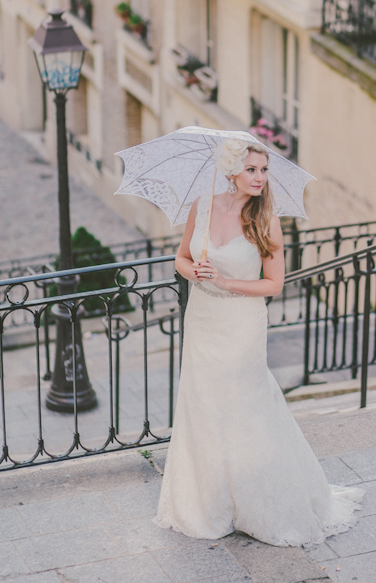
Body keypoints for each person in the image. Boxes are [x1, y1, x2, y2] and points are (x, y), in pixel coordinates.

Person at [155, 138, 362, 547]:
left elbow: (274, 284)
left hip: (241, 323)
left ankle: (259, 503)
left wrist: (226, 280)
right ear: (231, 170)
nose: (260, 178)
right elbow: (179, 257)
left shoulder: (265, 220)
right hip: (202, 318)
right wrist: (194, 271)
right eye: (252, 169)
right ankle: (212, 503)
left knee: (243, 407)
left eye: (264, 170)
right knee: (204, 404)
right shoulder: (203, 206)